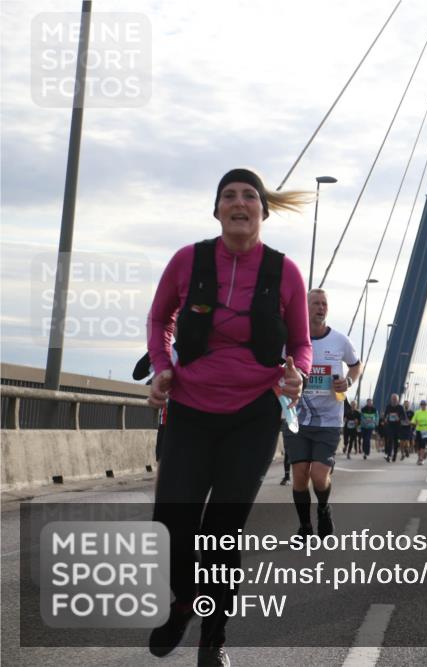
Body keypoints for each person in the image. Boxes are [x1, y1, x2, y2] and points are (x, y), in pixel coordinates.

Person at [146, 168, 311, 667]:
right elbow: (159, 318)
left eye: (249, 196)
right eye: (229, 196)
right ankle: (181, 602)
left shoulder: (285, 272)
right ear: (216, 209)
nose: (239, 203)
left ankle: (213, 637)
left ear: (262, 210)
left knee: (223, 529)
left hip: (253, 414)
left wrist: (298, 374)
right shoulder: (187, 260)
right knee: (172, 522)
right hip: (191, 408)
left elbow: (300, 342)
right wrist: (162, 367)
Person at [286, 288, 361, 538]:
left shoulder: (340, 340)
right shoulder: (292, 341)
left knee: (318, 475)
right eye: (315, 303)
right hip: (296, 418)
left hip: (329, 420)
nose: (320, 307)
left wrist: (348, 383)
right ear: (304, 308)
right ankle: (304, 527)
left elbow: (355, 365)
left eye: (324, 303)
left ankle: (324, 509)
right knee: (299, 475)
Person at [382, 394, 406, 462]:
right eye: (393, 399)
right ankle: (389, 455)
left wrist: (399, 418)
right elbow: (385, 415)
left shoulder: (400, 407)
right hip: (390, 426)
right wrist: (385, 418)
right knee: (390, 440)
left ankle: (394, 455)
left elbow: (404, 417)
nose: (394, 400)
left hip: (397, 427)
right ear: (391, 399)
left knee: (396, 441)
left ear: (398, 400)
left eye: (395, 399)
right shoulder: (388, 407)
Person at [412, 399, 427, 465]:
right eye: (422, 405)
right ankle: (419, 457)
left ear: (426, 405)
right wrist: (414, 423)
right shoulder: (417, 412)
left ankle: (421, 459)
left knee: (423, 444)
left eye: (425, 405)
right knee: (418, 445)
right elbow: (413, 420)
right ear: (420, 405)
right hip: (419, 430)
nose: (423, 406)